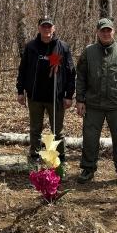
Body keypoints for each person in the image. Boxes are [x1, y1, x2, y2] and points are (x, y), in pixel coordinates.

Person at [75, 18, 117, 189]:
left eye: (108, 30)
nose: (106, 33)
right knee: (89, 139)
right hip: (93, 104)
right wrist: (80, 100)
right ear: (97, 32)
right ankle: (88, 169)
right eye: (102, 30)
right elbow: (80, 76)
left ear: (113, 32)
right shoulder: (88, 52)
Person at [16, 17, 75, 164]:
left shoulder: (62, 47)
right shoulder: (31, 47)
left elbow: (70, 73)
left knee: (57, 131)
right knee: (35, 129)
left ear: (53, 29)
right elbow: (22, 70)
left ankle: (59, 159)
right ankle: (35, 156)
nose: (46, 29)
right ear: (39, 28)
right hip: (35, 97)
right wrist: (20, 91)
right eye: (44, 27)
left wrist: (69, 95)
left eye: (49, 27)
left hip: (56, 97)